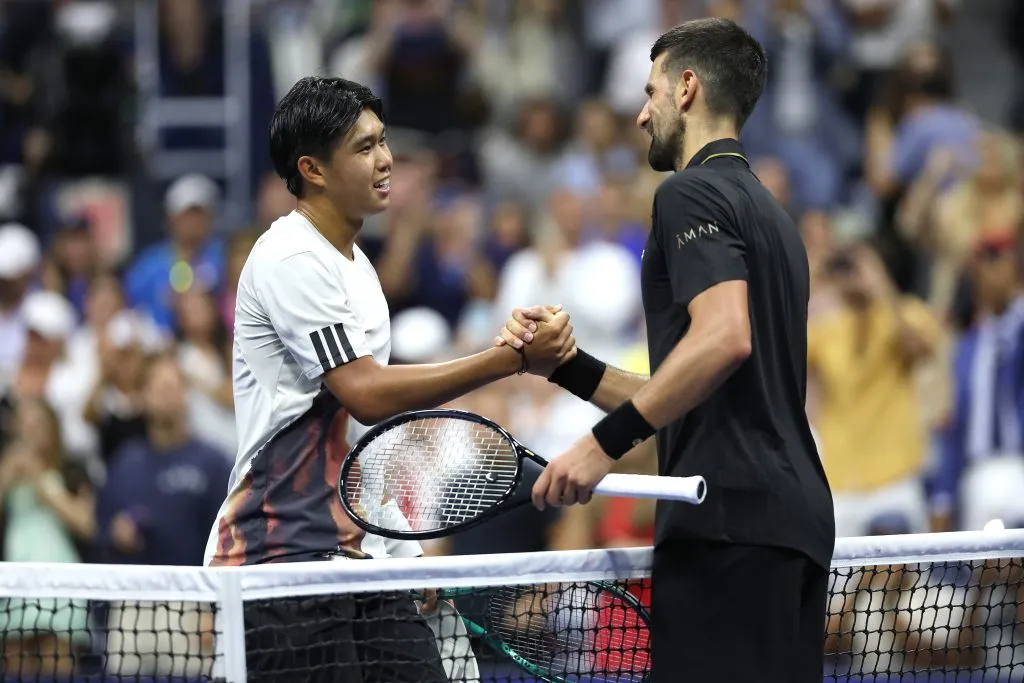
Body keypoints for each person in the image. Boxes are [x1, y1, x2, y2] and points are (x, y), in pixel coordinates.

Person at [203, 76, 575, 683]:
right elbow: (368, 394)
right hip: (282, 557)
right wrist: (507, 359)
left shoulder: (359, 267)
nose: (385, 160)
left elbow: (359, 439)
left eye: (383, 141)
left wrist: (404, 552)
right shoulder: (291, 260)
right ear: (312, 169)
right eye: (364, 146)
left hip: (361, 557)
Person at [500, 19, 835, 682]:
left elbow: (723, 338)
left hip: (727, 528)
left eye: (650, 92)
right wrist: (568, 367)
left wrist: (602, 444)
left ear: (687, 89)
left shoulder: (688, 192)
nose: (639, 112)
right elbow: (696, 382)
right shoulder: (773, 219)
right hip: (788, 524)